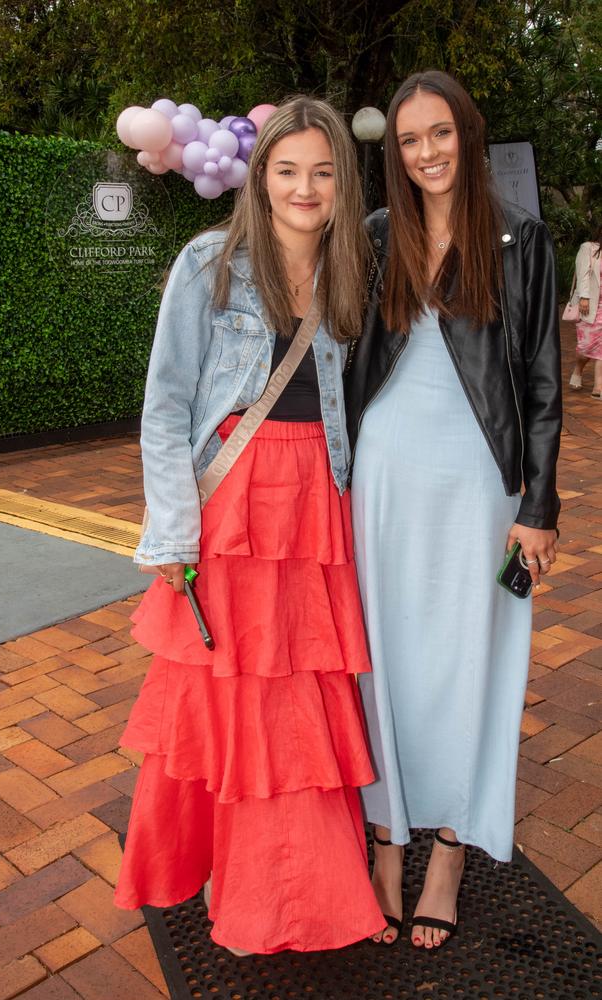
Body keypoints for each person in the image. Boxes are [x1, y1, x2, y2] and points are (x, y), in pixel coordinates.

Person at [114, 96, 386, 955]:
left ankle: (307, 894)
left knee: (304, 696)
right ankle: (245, 885)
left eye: (323, 170)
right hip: (234, 508)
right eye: (287, 169)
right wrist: (173, 534)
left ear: (343, 180)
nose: (305, 188)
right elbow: (165, 408)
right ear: (259, 176)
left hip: (314, 508)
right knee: (230, 695)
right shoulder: (210, 264)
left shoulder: (353, 272)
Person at [344, 71, 562, 950]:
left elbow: (545, 385)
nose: (428, 151)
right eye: (409, 140)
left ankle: (450, 847)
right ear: (394, 154)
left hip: (478, 482)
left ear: (467, 136)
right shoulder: (373, 235)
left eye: (441, 133)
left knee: (469, 660)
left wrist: (538, 504)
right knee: (384, 660)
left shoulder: (522, 239)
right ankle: (390, 834)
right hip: (384, 477)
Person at [568, 224, 602, 396]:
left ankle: (598, 387)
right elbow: (583, 273)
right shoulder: (588, 248)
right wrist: (584, 297)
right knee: (586, 347)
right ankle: (578, 369)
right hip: (590, 304)